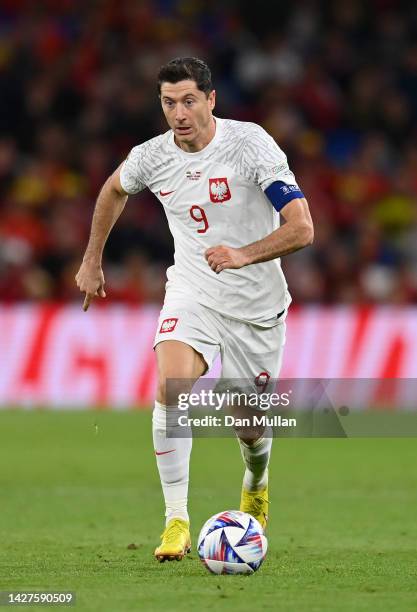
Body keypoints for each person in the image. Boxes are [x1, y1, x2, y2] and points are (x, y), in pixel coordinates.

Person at [75, 57, 314, 562]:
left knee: (248, 425)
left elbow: (302, 226)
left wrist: (243, 254)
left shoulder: (250, 145)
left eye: (188, 100)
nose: (178, 113)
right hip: (193, 290)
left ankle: (256, 480)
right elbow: (114, 189)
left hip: (256, 304)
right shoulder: (152, 156)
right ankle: (176, 521)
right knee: (171, 385)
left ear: (210, 100)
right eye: (168, 102)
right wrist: (92, 259)